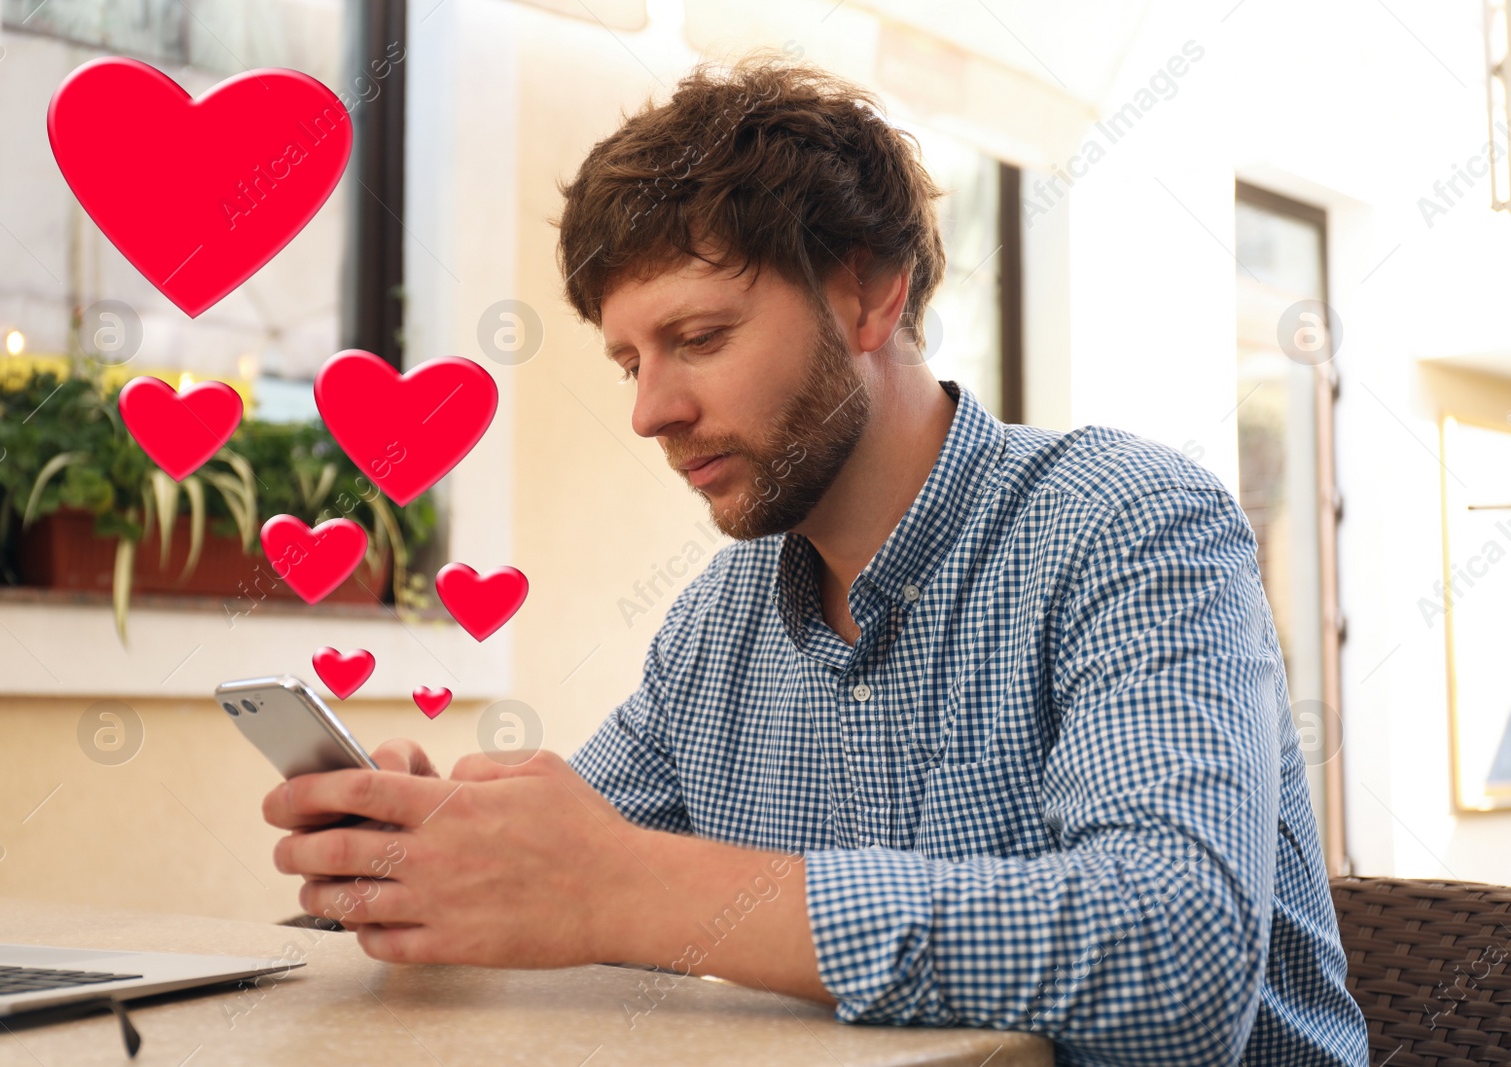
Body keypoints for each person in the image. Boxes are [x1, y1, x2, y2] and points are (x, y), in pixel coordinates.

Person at [264, 55, 1369, 1066]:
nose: (652, 409)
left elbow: (1172, 954)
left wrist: (625, 888)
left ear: (869, 292)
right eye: (627, 362)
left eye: (699, 338)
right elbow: (565, 878)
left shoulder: (1130, 526)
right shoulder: (715, 630)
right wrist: (421, 864)